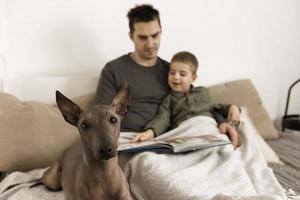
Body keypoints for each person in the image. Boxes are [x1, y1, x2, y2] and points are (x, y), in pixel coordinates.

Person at [93, 4, 239, 145]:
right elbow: (100, 115)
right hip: (129, 139)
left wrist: (224, 121)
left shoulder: (172, 72)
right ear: (131, 36)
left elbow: (197, 102)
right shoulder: (114, 69)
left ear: (161, 31)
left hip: (167, 139)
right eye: (143, 38)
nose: (151, 44)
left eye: (155, 35)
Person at [131, 51, 240, 148]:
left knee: (223, 149)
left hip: (206, 126)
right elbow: (162, 119)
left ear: (193, 78)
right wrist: (150, 132)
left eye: (182, 74)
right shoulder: (169, 99)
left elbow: (218, 106)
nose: (176, 77)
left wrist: (233, 108)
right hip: (185, 130)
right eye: (172, 73)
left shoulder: (202, 92)